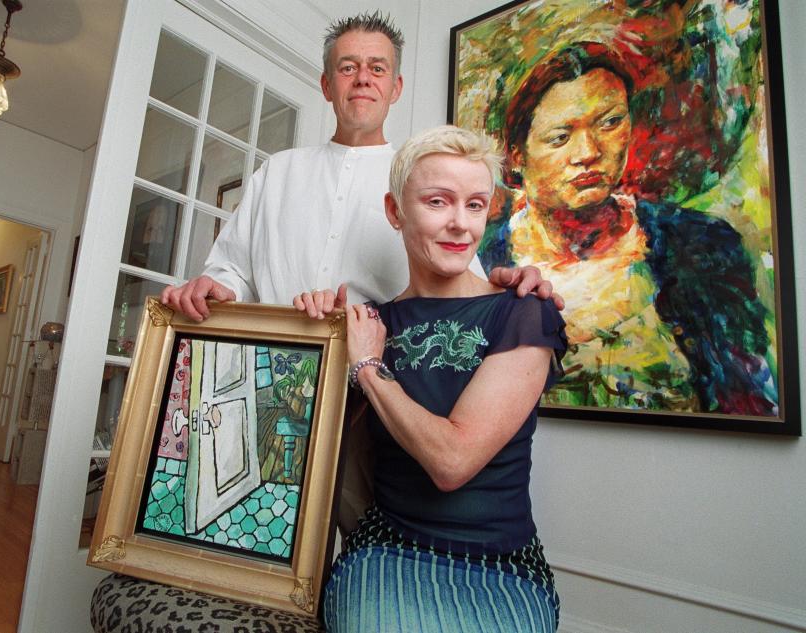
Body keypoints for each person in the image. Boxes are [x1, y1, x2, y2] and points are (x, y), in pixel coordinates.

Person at [318, 125, 566, 632]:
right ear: (395, 211)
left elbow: (452, 461)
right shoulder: (370, 324)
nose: (460, 225)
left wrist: (368, 368)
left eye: (475, 205)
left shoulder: (522, 313)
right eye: (438, 202)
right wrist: (310, 332)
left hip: (502, 569)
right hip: (387, 552)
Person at [160, 11, 560, 322]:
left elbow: (458, 280)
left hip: (377, 383)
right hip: (270, 371)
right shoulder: (277, 172)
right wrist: (215, 286)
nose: (363, 79)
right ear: (327, 85)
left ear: (395, 88)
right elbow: (231, 270)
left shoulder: (420, 180)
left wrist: (507, 285)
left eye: (378, 68)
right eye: (348, 67)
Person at [480, 41, 776, 415]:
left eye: (610, 122)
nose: (588, 151)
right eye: (560, 137)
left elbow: (747, 401)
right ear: (518, 155)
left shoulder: (701, 245)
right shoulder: (482, 259)